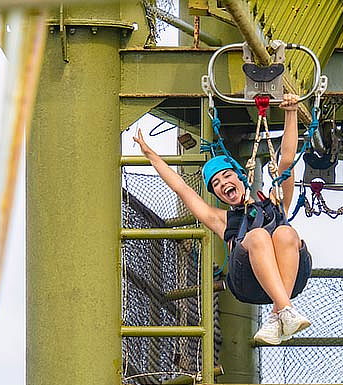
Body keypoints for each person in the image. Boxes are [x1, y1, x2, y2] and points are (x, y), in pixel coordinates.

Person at [133, 94, 312, 345]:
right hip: (247, 281)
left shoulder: (274, 201)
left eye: (227, 176)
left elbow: (286, 162)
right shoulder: (221, 219)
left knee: (286, 233)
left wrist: (291, 113)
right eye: (216, 183)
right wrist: (151, 156)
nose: (223, 184)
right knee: (258, 236)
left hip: (290, 277)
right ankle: (284, 310)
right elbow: (182, 189)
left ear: (240, 178)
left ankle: (278, 313)